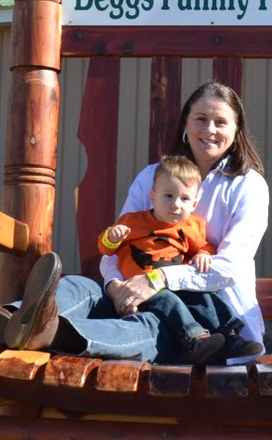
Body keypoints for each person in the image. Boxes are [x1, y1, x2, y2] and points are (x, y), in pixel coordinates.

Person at [0, 80, 271, 364]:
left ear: (236, 130)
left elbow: (228, 268)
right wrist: (116, 286)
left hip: (203, 319)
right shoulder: (152, 178)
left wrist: (156, 281)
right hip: (132, 289)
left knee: (150, 325)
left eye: (221, 122)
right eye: (201, 119)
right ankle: (7, 317)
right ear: (185, 126)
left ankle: (50, 334)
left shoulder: (247, 185)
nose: (210, 129)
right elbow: (114, 249)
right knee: (79, 286)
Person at [97, 153, 259, 363]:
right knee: (169, 301)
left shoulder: (191, 227)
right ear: (152, 197)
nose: (176, 204)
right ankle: (195, 340)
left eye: (184, 199)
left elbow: (203, 246)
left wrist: (203, 254)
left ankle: (230, 336)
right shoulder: (132, 222)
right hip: (142, 289)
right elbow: (105, 250)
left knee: (204, 296)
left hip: (174, 282)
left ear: (194, 204)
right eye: (168, 196)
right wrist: (111, 237)